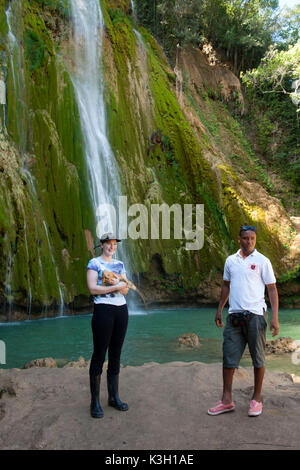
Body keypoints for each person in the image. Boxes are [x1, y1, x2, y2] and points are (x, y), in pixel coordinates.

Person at [208, 224, 279, 417]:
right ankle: (226, 400)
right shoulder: (231, 261)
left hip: (256, 315)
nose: (249, 242)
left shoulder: (263, 261)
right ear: (239, 239)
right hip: (234, 316)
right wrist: (219, 310)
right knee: (228, 357)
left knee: (258, 357)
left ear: (255, 240)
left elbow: (272, 289)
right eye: (246, 238)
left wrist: (274, 318)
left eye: (252, 239)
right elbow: (225, 286)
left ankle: (256, 399)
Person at [86, 232, 129, 418]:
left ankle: (114, 397)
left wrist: (120, 286)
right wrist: (115, 286)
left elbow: (126, 289)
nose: (112, 247)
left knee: (116, 353)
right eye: (108, 244)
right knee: (99, 354)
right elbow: (92, 288)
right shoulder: (94, 263)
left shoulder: (120, 264)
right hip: (103, 310)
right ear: (102, 245)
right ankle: (94, 402)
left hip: (121, 310)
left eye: (114, 244)